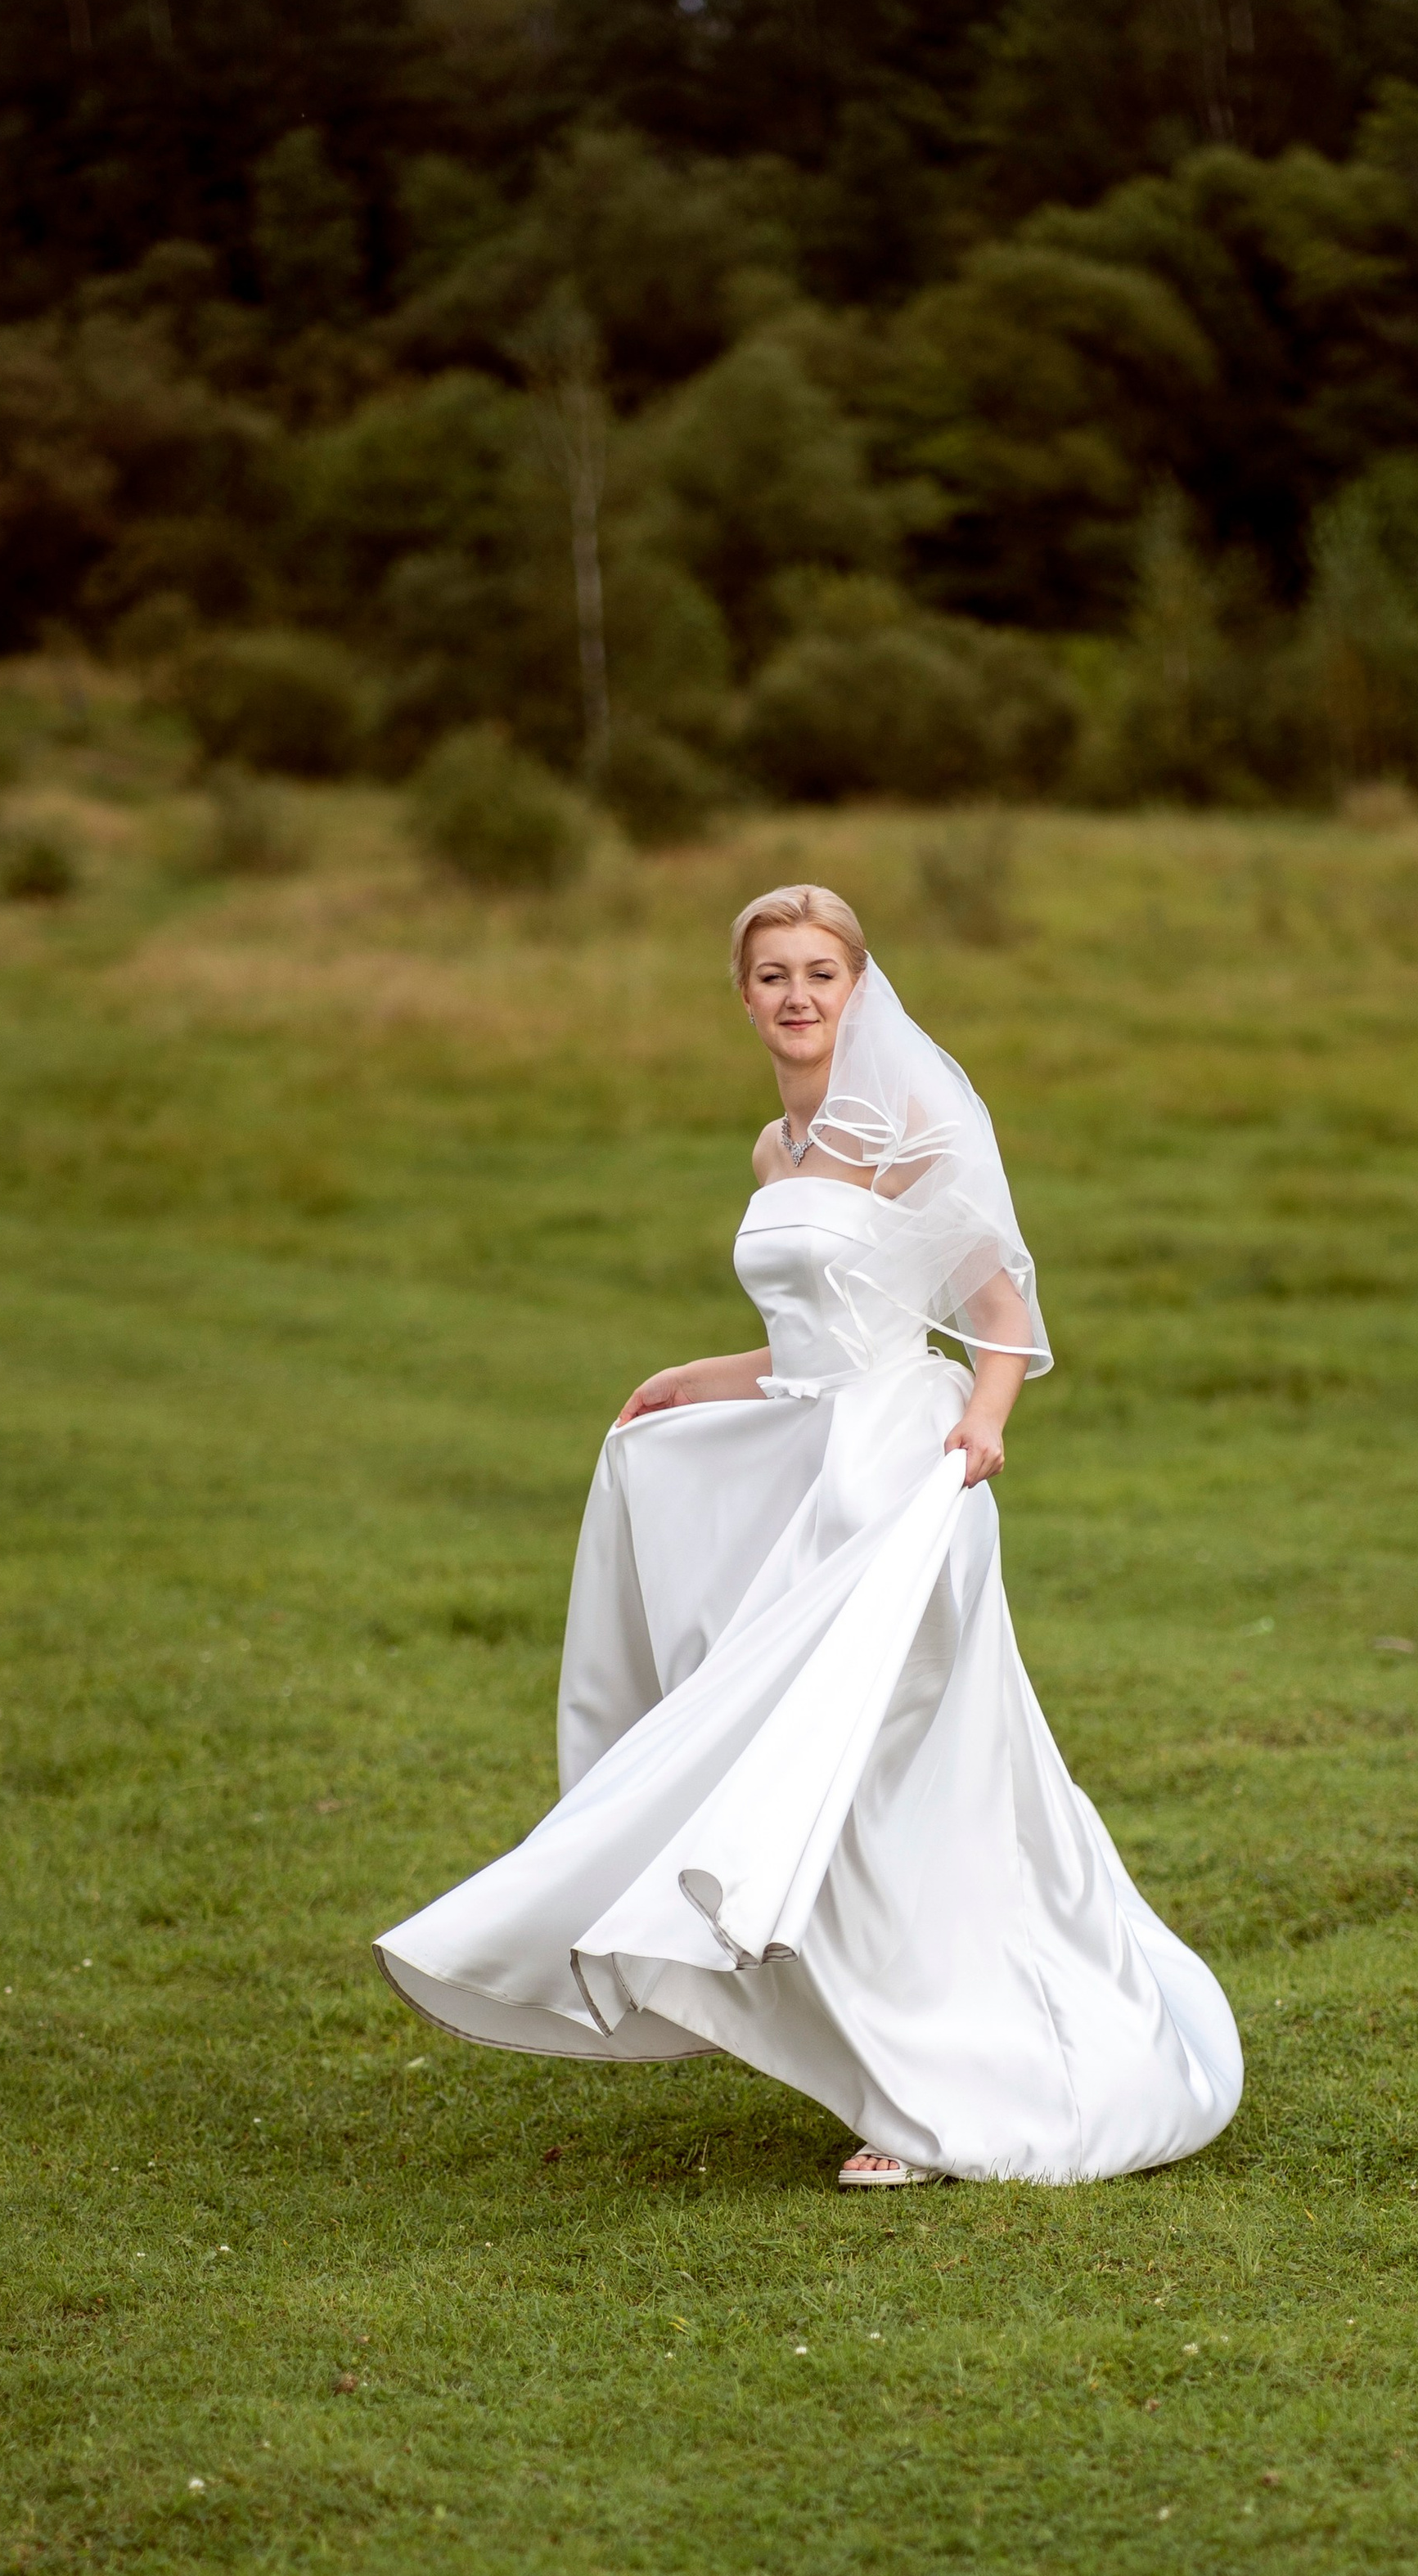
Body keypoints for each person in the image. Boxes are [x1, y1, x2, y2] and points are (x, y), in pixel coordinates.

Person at [375, 883, 1243, 2186]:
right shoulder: (775, 1153)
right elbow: (803, 1343)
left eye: (821, 972)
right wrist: (693, 1377)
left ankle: (944, 2093)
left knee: (893, 1781)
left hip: (902, 1475)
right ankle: (888, 2058)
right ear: (744, 996)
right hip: (807, 1477)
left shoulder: (905, 1125)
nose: (796, 995)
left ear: (857, 985)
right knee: (811, 1780)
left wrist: (986, 1428)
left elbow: (997, 1310)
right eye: (772, 973)